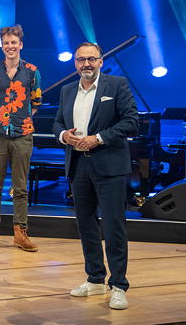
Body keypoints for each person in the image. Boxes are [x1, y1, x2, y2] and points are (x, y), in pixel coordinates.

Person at [52, 42, 139, 310]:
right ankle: (95, 279)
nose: (86, 64)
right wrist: (63, 135)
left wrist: (98, 139)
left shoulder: (117, 85)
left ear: (101, 61)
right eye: (81, 60)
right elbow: (57, 122)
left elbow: (132, 121)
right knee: (86, 225)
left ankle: (119, 285)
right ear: (75, 63)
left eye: (92, 59)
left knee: (113, 226)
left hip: (109, 167)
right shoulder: (67, 91)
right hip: (78, 166)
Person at [0, 25, 42, 252]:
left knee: (21, 187)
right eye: (6, 43)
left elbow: (36, 102)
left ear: (21, 45)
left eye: (14, 43)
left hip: (23, 135)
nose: (10, 46)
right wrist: (1, 121)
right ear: (2, 46)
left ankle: (20, 233)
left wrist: (18, 119)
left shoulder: (32, 71)